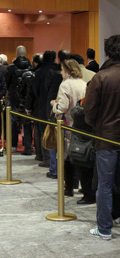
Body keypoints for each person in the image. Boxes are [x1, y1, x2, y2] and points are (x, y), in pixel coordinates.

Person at [84, 35, 120, 240]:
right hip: (110, 136)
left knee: (105, 185)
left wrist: (97, 125)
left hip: (106, 137)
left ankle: (105, 228)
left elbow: (89, 112)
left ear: (107, 52)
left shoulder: (101, 77)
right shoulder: (102, 75)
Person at [50, 59, 87, 196]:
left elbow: (63, 106)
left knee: (67, 158)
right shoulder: (83, 84)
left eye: (62, 69)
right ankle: (84, 186)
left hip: (68, 125)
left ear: (67, 70)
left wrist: (54, 105)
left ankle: (69, 187)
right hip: (83, 125)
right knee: (82, 156)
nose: (61, 72)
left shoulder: (65, 85)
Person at [45, 50, 70, 179]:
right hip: (73, 118)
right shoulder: (81, 80)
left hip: (59, 115)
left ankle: (55, 169)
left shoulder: (59, 78)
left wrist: (53, 105)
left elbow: (50, 94)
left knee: (55, 142)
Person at [6, 45, 31, 152]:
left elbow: (6, 83)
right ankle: (28, 145)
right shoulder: (31, 66)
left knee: (13, 121)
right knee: (28, 121)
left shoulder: (11, 68)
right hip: (26, 97)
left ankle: (13, 145)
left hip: (14, 97)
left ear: (16, 53)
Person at [22, 53, 43, 156]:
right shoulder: (51, 72)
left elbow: (30, 93)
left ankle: (37, 153)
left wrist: (28, 108)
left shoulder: (33, 74)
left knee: (37, 129)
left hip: (35, 106)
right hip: (46, 105)